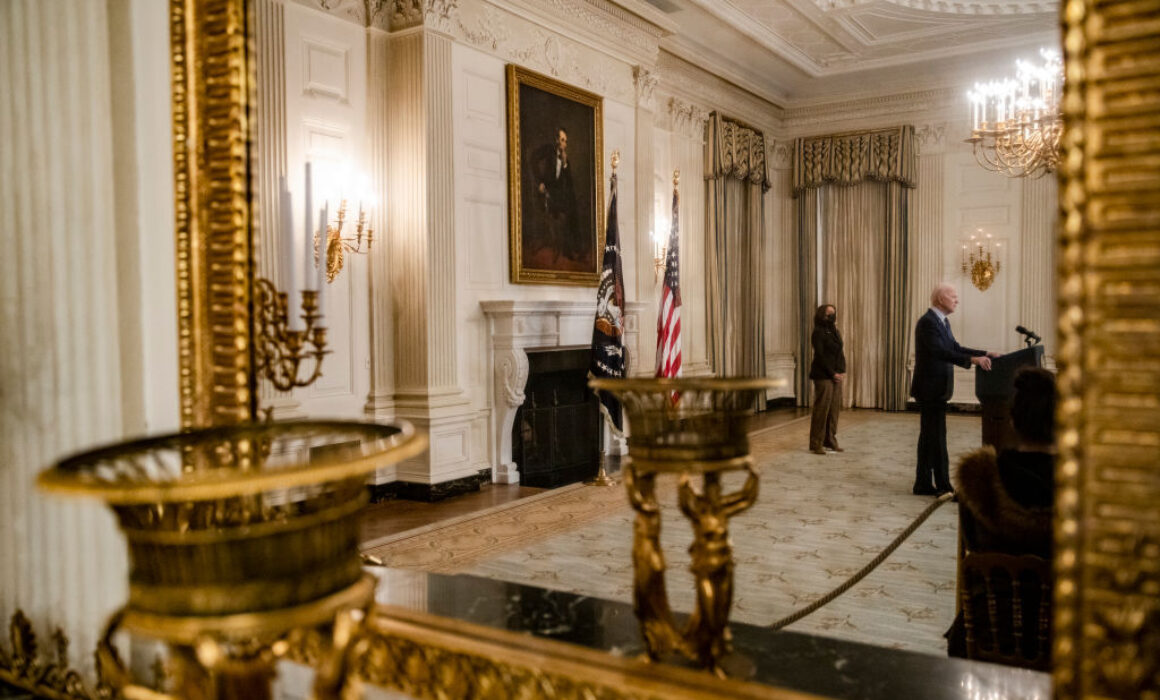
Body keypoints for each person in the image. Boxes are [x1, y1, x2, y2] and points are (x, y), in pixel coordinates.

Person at [946, 366, 1056, 661]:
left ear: (1012, 419)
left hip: (990, 627)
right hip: (1060, 633)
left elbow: (974, 547)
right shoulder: (1084, 488)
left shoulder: (981, 478)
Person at [910, 284, 999, 495]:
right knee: (936, 438)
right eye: (953, 296)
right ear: (941, 299)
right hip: (930, 389)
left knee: (929, 437)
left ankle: (922, 483)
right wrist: (972, 360)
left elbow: (954, 348)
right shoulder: (928, 322)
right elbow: (939, 351)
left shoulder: (942, 322)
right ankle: (944, 487)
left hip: (937, 389)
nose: (956, 300)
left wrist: (985, 353)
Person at [532, 126, 579, 262]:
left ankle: (568, 248)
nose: (564, 143)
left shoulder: (565, 159)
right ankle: (557, 245)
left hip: (557, 195)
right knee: (557, 213)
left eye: (566, 141)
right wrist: (539, 181)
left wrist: (564, 164)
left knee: (571, 208)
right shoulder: (548, 150)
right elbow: (533, 159)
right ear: (556, 140)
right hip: (545, 192)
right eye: (562, 140)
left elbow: (568, 182)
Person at [808, 304, 846, 455]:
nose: (831, 316)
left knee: (834, 409)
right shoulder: (817, 332)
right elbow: (821, 356)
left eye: (833, 313)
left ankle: (830, 440)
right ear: (821, 315)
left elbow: (839, 352)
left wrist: (841, 371)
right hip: (823, 375)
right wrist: (832, 373)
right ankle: (816, 443)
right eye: (828, 313)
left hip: (836, 374)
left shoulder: (835, 331)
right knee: (822, 410)